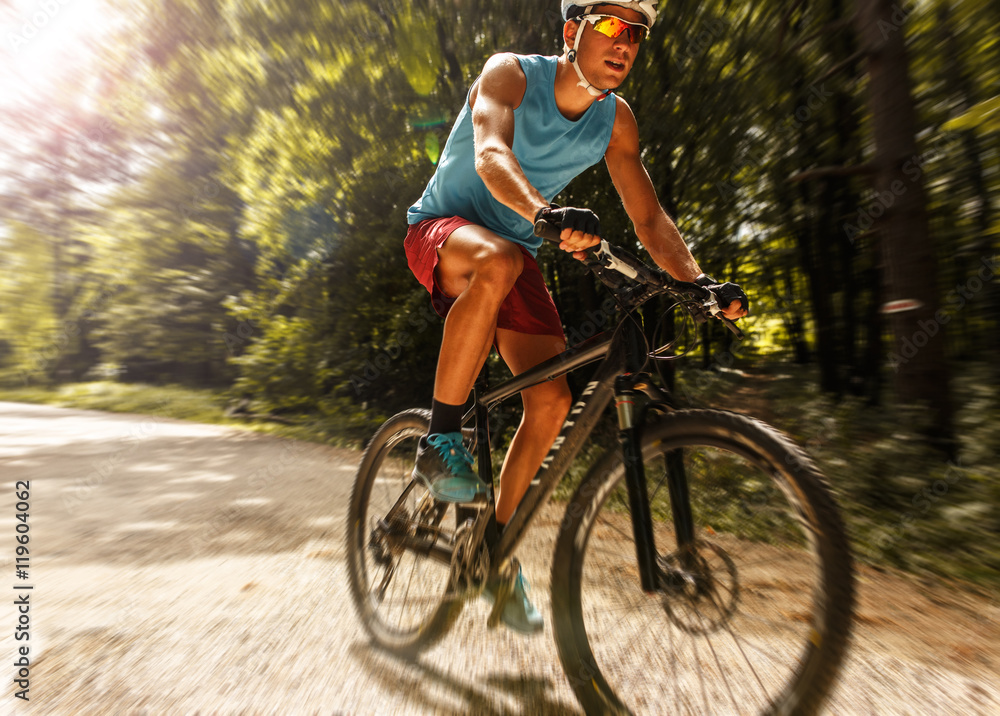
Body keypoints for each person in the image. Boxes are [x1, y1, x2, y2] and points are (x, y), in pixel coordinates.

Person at [403, 0, 749, 634]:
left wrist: (698, 285)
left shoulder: (615, 122)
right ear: (572, 32)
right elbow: (489, 155)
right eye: (612, 26)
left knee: (553, 400)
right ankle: (440, 440)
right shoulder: (510, 73)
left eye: (636, 34)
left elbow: (647, 220)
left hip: (514, 251)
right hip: (443, 231)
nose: (625, 43)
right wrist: (544, 214)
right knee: (501, 260)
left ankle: (491, 554)